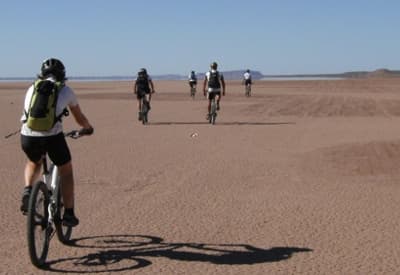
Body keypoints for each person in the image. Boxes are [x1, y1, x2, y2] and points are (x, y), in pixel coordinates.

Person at [20, 58, 94, 227]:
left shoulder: (32, 88)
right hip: (52, 138)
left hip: (28, 136)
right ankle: (68, 214)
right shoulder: (65, 91)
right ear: (62, 74)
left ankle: (28, 191)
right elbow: (79, 118)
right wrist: (88, 128)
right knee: (66, 171)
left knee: (33, 161)